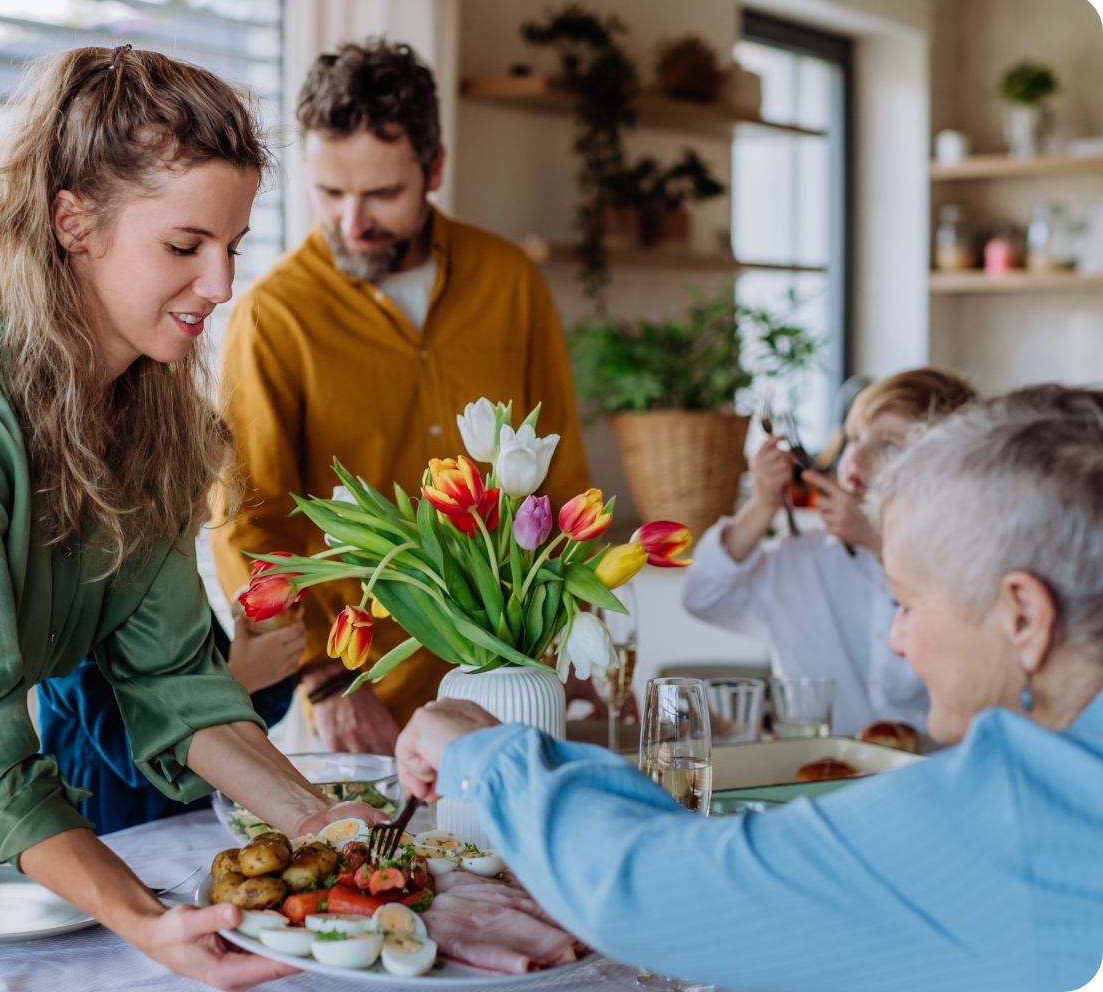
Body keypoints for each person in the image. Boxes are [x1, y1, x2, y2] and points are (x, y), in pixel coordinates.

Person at [0, 45, 378, 990]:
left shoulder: (147, 416)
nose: (221, 285)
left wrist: (321, 823)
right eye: (185, 247)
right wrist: (150, 923)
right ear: (74, 222)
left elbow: (177, 682)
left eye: (233, 246)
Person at [394, 385, 1103, 992]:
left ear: (1023, 616)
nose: (898, 636)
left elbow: (653, 893)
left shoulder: (1020, 813)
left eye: (909, 603)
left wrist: (484, 750)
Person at [212, 38, 590, 754]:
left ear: (434, 169)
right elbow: (250, 523)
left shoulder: (511, 281)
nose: (352, 222)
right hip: (359, 698)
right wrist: (321, 678)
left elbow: (560, 473)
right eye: (330, 193)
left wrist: (573, 644)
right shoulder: (272, 315)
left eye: (381, 194)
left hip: (514, 678)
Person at [682, 369, 977, 736]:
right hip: (815, 771)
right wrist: (761, 506)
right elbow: (702, 596)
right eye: (855, 437)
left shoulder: (966, 571)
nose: (858, 456)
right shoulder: (800, 558)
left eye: (888, 445)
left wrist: (879, 543)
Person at [36, 612, 303, 834]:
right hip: (120, 829)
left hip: (202, 811)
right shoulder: (72, 625)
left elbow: (253, 715)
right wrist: (241, 676)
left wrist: (267, 651)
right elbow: (134, 753)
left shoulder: (180, 603)